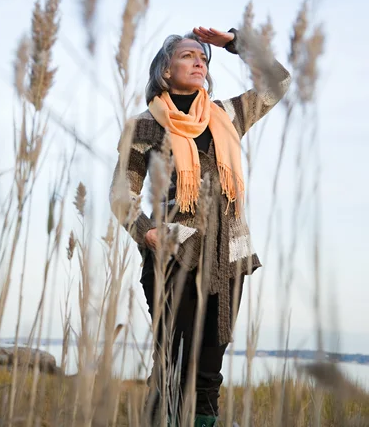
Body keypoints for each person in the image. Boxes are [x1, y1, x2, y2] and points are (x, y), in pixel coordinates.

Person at [110, 27, 291, 426]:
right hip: (175, 256)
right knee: (174, 368)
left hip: (230, 259)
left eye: (203, 59)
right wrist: (146, 232)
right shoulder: (143, 125)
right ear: (165, 71)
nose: (199, 62)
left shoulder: (226, 115)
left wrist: (236, 45)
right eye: (188, 55)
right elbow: (121, 194)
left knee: (209, 374)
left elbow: (279, 81)